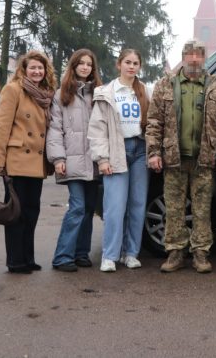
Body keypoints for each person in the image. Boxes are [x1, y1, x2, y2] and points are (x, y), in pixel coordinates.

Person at [146, 40, 216, 274]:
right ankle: (175, 253)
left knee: (202, 209)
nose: (194, 59)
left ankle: (201, 254)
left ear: (204, 58)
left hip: (204, 158)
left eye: (198, 55)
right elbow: (154, 122)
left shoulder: (214, 86)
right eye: (190, 55)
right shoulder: (166, 84)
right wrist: (154, 152)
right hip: (173, 158)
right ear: (183, 57)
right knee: (174, 209)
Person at [0, 50, 56, 274]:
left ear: (45, 71)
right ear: (24, 70)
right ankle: (15, 261)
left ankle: (28, 257)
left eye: (40, 68)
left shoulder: (45, 94)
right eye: (33, 68)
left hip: (36, 162)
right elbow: (2, 127)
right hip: (17, 160)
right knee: (16, 213)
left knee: (31, 211)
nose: (37, 71)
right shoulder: (13, 90)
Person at [89, 49, 151, 273]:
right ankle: (110, 255)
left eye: (135, 63)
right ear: (119, 64)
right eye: (127, 62)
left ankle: (131, 253)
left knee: (137, 204)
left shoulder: (145, 91)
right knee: (115, 206)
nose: (131, 66)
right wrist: (102, 158)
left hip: (141, 150)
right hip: (117, 150)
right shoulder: (107, 92)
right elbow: (97, 128)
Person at [46, 49, 102, 272]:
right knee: (77, 207)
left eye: (89, 64)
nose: (85, 67)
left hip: (94, 161)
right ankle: (62, 257)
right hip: (72, 160)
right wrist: (58, 158)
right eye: (81, 63)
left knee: (88, 209)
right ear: (74, 66)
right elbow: (55, 129)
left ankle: (81, 253)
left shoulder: (98, 94)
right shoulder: (62, 95)